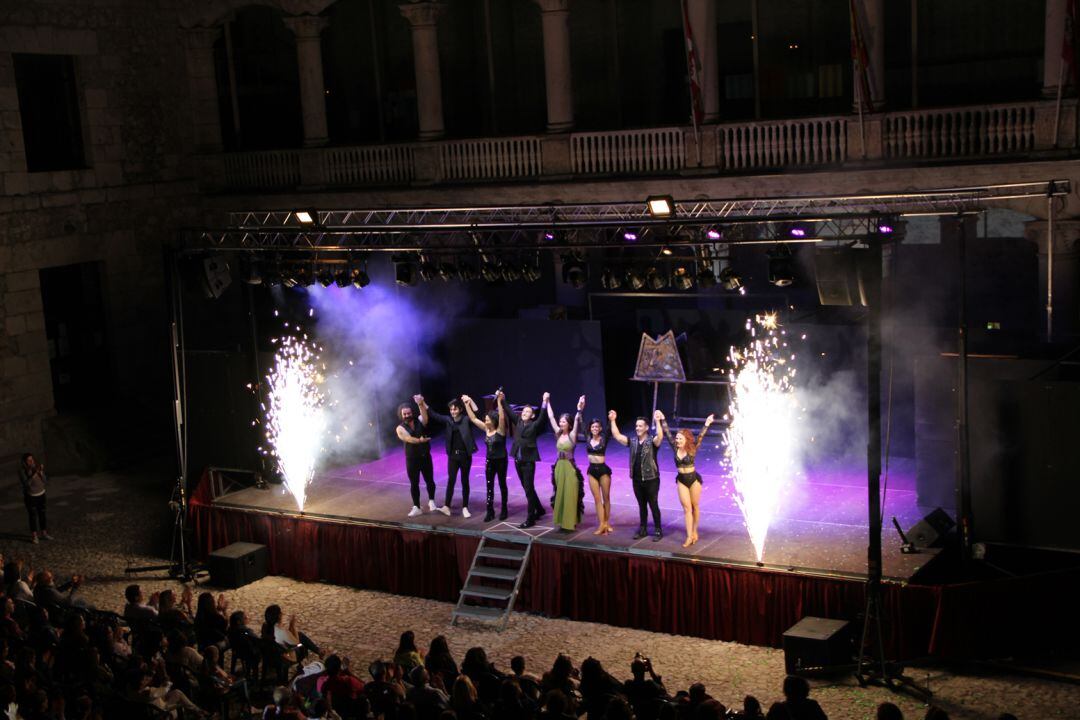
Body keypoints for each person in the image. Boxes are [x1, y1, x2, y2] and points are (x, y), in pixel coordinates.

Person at [658, 411, 715, 547]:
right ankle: (689, 536)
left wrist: (706, 424)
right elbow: (667, 432)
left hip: (694, 480)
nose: (677, 440)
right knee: (686, 509)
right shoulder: (674, 447)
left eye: (680, 439)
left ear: (686, 439)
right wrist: (663, 419)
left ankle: (694, 531)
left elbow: (701, 436)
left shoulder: (692, 449)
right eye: (676, 439)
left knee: (695, 507)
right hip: (681, 480)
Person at [609, 410, 665, 541]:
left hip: (651, 479)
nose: (637, 428)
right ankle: (643, 529)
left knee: (653, 504)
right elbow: (617, 436)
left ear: (646, 427)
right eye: (636, 426)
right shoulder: (632, 442)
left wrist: (657, 421)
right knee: (641, 505)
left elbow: (660, 436)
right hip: (637, 480)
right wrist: (612, 420)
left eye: (640, 426)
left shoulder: (652, 442)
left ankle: (658, 530)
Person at [421, 394, 478, 517]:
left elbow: (476, 412)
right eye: (451, 409)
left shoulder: (466, 420)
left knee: (464, 481)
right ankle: (447, 506)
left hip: (465, 456)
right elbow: (433, 414)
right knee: (451, 481)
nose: (453, 411)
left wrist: (470, 401)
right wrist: (422, 402)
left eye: (455, 409)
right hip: (452, 456)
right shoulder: (448, 420)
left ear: (460, 409)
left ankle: (465, 508)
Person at [501, 391, 550, 528]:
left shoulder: (534, 425)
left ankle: (530, 519)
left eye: (528, 412)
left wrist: (544, 402)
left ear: (532, 415)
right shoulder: (518, 422)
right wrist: (503, 400)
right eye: (523, 411)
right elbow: (510, 412)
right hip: (518, 461)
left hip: (528, 463)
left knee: (528, 490)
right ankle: (539, 509)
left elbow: (542, 418)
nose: (524, 413)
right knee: (527, 488)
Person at [463, 392, 509, 522]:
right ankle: (490, 511)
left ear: (493, 420)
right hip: (490, 461)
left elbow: (501, 417)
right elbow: (472, 418)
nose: (485, 420)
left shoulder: (500, 430)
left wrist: (499, 402)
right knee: (489, 485)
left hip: (501, 461)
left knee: (502, 484)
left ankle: (504, 509)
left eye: (487, 419)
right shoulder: (486, 429)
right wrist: (467, 405)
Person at [545, 395, 586, 532]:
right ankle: (562, 522)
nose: (561, 424)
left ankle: (570, 523)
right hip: (559, 468)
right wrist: (547, 402)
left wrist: (579, 408)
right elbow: (551, 417)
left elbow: (576, 419)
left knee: (570, 494)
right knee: (560, 494)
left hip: (569, 467)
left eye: (563, 422)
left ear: (568, 424)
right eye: (560, 422)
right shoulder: (558, 434)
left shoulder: (572, 435)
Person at [397, 397, 437, 518]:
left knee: (430, 480)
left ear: (412, 413)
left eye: (408, 413)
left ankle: (431, 501)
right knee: (414, 483)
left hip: (425, 457)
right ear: (401, 415)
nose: (407, 415)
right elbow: (408, 439)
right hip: (412, 460)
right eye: (404, 414)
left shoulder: (418, 420)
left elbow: (425, 417)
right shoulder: (400, 428)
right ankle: (416, 507)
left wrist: (420, 403)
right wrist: (420, 440)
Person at [583, 418, 615, 535]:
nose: (595, 429)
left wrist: (612, 419)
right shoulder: (587, 438)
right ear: (590, 429)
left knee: (606, 498)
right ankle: (602, 524)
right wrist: (580, 410)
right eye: (593, 427)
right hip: (591, 471)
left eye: (597, 427)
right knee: (597, 499)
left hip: (603, 471)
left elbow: (609, 429)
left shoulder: (604, 439)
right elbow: (582, 422)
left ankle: (607, 522)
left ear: (600, 428)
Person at [18, 453, 51, 543]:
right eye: (29, 460)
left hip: (41, 494)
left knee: (42, 515)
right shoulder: (23, 471)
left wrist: (41, 472)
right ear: (25, 462)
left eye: (32, 459)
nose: (31, 461)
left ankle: (44, 533)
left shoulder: (36, 467)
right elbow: (26, 484)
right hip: (31, 497)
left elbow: (45, 481)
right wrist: (34, 474)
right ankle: (34, 536)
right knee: (33, 516)